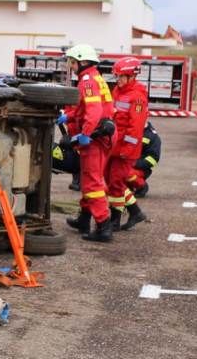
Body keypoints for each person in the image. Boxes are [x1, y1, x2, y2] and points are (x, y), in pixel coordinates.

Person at [61, 44, 116, 242]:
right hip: (102, 133)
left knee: (92, 182)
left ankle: (103, 226)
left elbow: (93, 112)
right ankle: (84, 219)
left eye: (73, 62)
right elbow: (84, 107)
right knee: (88, 178)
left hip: (96, 136)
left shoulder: (87, 80)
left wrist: (85, 134)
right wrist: (68, 117)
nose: (71, 66)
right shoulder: (95, 77)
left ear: (82, 61)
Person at [107, 57, 148, 230]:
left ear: (132, 76)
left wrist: (127, 149)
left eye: (122, 76)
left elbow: (135, 128)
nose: (119, 80)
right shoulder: (118, 90)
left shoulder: (137, 98)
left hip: (125, 149)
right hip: (114, 145)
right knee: (111, 181)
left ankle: (115, 220)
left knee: (116, 183)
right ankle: (135, 211)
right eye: (117, 76)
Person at [130, 122, 160, 197]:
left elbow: (153, 158)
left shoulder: (152, 136)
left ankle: (141, 186)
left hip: (140, 168)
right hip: (127, 162)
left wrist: (135, 163)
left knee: (125, 173)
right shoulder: (131, 130)